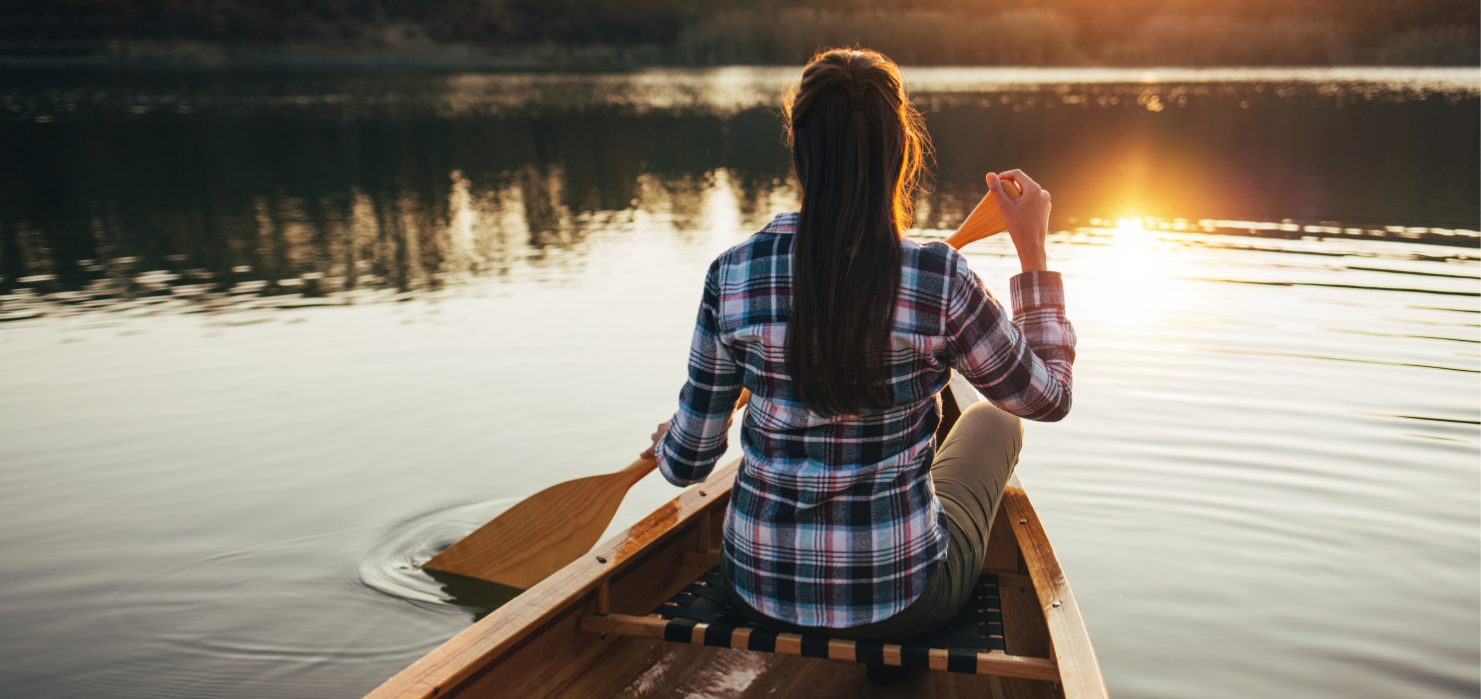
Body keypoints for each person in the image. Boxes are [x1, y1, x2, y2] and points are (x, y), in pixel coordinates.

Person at [639, 48, 1075, 647]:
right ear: (901, 145)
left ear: (795, 140)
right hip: (899, 601)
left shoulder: (732, 274)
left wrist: (673, 439)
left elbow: (688, 464)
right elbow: (1048, 398)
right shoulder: (937, 278)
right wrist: (1032, 251)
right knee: (998, 419)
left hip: (754, 589)